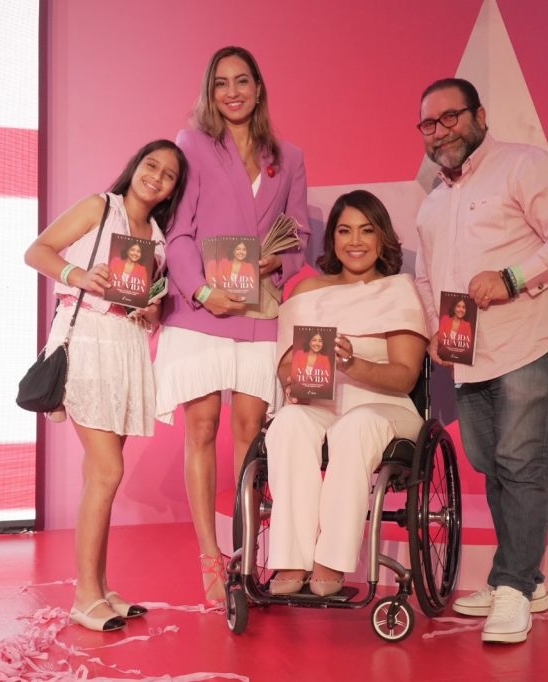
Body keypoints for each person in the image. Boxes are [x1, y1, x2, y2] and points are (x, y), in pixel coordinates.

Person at [413, 78, 548, 643]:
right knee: (491, 463)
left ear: (480, 115)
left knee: (520, 463)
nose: (440, 132)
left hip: (530, 339)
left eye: (450, 117)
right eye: (429, 124)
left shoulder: (523, 165)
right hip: (470, 354)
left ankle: (513, 588)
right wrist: (435, 331)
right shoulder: (433, 203)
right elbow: (426, 278)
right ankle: (522, 578)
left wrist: (513, 278)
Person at [154, 45, 309, 604]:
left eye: (242, 81)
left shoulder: (288, 157)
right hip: (201, 309)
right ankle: (209, 557)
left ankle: (245, 553)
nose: (233, 92)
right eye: (221, 83)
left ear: (258, 87)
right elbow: (178, 231)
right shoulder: (191, 144)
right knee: (201, 429)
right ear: (209, 91)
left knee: (250, 432)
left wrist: (275, 261)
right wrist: (201, 290)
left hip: (259, 309)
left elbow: (300, 235)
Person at [24, 139, 187, 631]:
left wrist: (151, 308)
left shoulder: (157, 236)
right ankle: (85, 596)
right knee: (108, 471)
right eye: (151, 165)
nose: (156, 176)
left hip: (126, 348)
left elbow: (150, 307)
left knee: (99, 476)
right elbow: (37, 251)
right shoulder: (100, 206)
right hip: (88, 343)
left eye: (169, 175)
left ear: (173, 190)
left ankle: (98, 586)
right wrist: (78, 274)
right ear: (135, 166)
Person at [266, 190, 428, 597]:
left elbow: (406, 377)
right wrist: (294, 381)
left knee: (356, 425)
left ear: (382, 238)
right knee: (287, 422)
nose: (355, 241)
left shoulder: (398, 290)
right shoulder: (307, 291)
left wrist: (354, 364)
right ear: (333, 239)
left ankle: (331, 561)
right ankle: (290, 558)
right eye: (344, 231)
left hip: (385, 407)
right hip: (321, 404)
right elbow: (285, 364)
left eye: (366, 231)